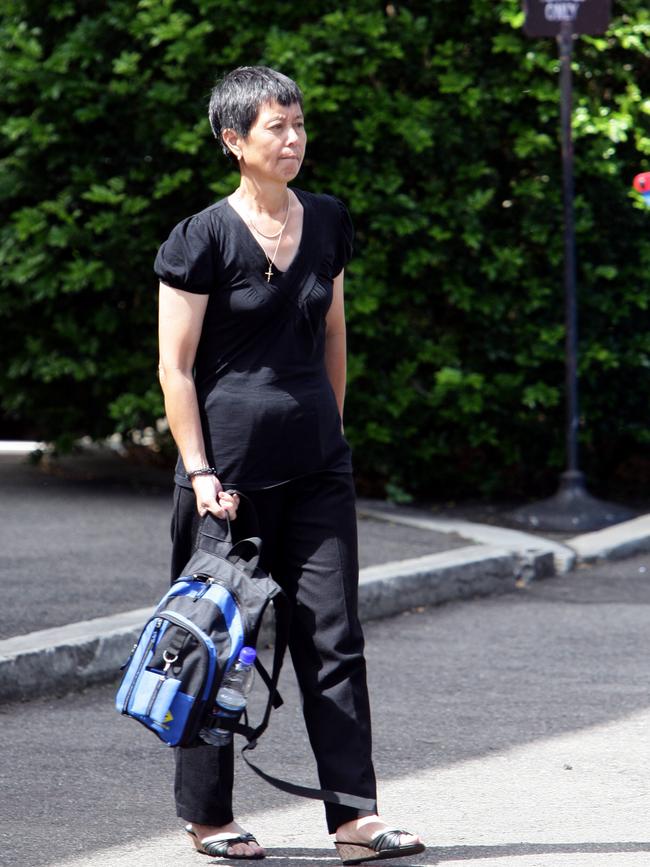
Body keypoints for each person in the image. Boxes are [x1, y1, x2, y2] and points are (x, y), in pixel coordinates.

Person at [155, 65, 425, 863]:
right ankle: (209, 817)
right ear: (234, 140)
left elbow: (333, 334)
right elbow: (175, 368)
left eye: (299, 124)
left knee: (334, 639)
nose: (295, 139)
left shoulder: (331, 221)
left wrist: (329, 433)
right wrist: (200, 471)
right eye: (277, 127)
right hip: (225, 481)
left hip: (316, 469)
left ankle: (354, 817)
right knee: (213, 643)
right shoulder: (200, 237)